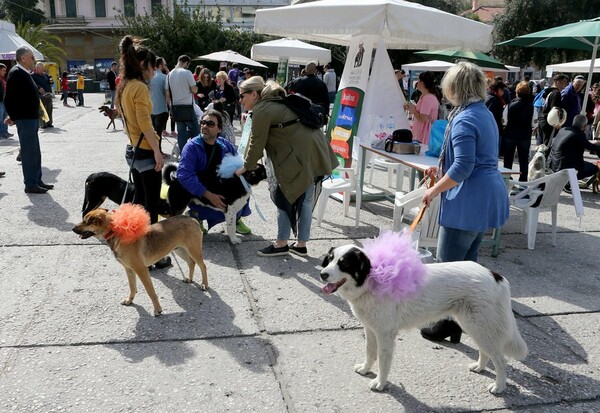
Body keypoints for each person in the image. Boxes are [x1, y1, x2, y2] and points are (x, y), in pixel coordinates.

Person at [418, 61, 509, 343]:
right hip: (485, 197)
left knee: (448, 268)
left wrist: (433, 191)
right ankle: (461, 323)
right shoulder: (483, 113)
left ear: (454, 88)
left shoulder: (465, 118)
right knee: (468, 265)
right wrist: (441, 170)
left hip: (469, 199)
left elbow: (464, 167)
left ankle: (445, 324)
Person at [236, 77, 338, 257]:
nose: (240, 100)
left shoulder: (262, 109)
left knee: (283, 197)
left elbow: (256, 144)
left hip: (300, 156)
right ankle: (301, 244)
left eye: (242, 95)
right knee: (305, 200)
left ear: (254, 94)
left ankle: (281, 243)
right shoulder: (276, 102)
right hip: (315, 151)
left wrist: (245, 167)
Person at [116, 35, 170, 268]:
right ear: (143, 66)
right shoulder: (138, 87)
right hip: (146, 151)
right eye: (152, 67)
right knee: (151, 208)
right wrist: (158, 151)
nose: (154, 72)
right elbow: (145, 123)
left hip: (133, 150)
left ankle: (135, 249)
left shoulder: (124, 85)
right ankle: (151, 256)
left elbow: (120, 113)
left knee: (139, 203)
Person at [177, 110, 252, 234]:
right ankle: (195, 214)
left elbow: (240, 165)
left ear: (219, 129)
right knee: (220, 208)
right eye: (203, 123)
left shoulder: (225, 145)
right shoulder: (191, 147)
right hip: (200, 192)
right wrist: (208, 194)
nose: (205, 126)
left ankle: (236, 218)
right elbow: (184, 175)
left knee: (244, 188)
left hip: (219, 187)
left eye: (210, 124)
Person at [5, 46, 54, 194]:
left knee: (35, 151)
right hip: (25, 119)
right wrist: (13, 116)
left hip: (31, 118)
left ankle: (37, 180)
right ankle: (30, 184)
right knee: (28, 152)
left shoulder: (25, 73)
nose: (33, 59)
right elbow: (9, 99)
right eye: (31, 56)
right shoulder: (16, 73)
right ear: (23, 58)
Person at [548, 114, 600, 186]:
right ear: (584, 126)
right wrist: (597, 144)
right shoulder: (579, 134)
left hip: (552, 165)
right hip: (565, 170)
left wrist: (593, 143)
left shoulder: (563, 130)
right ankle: (568, 181)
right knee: (594, 168)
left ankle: (567, 181)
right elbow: (592, 147)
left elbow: (583, 142)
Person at [166, 55, 199, 152]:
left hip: (176, 107)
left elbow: (167, 93)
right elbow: (194, 89)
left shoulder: (169, 74)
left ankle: (183, 153)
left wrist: (170, 107)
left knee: (181, 133)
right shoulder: (187, 73)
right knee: (195, 131)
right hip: (187, 106)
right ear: (186, 63)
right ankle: (195, 152)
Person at [503, 81, 534, 182]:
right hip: (524, 135)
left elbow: (504, 121)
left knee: (508, 159)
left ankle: (507, 179)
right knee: (523, 160)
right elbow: (534, 123)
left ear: (516, 92)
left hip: (510, 134)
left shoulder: (510, 105)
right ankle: (523, 180)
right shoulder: (532, 107)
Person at [404, 71, 439, 145]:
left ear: (422, 82)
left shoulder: (428, 98)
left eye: (418, 80)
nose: (417, 82)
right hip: (420, 136)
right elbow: (419, 113)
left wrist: (413, 110)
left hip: (423, 138)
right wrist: (410, 108)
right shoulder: (425, 96)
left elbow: (422, 118)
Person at [537, 73, 569, 146]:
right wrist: (557, 122)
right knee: (546, 145)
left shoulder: (548, 91)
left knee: (541, 144)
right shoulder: (556, 93)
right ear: (557, 82)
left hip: (542, 120)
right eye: (563, 83)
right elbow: (554, 109)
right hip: (548, 122)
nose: (565, 86)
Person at [149, 57, 169, 156]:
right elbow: (167, 94)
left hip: (151, 109)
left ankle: (154, 151)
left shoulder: (150, 77)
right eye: (165, 65)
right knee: (158, 133)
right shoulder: (164, 78)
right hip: (161, 109)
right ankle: (158, 151)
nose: (166, 66)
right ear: (160, 65)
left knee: (153, 133)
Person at [31, 62, 53, 128]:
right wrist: (38, 87)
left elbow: (49, 82)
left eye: (43, 68)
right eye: (42, 68)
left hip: (48, 94)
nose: (43, 69)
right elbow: (32, 84)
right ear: (37, 68)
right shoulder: (32, 76)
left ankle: (49, 122)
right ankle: (43, 123)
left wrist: (51, 81)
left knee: (49, 109)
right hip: (39, 95)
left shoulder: (45, 75)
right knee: (42, 110)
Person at [0, 63, 13, 139]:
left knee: (5, 117)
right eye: (3, 70)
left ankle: (5, 132)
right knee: (0, 118)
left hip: (4, 101)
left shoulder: (2, 79)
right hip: (0, 101)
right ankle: (1, 133)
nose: (5, 72)